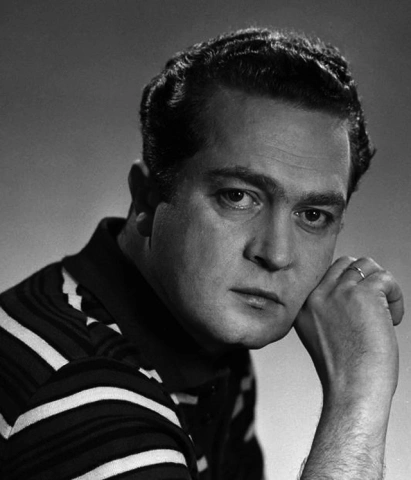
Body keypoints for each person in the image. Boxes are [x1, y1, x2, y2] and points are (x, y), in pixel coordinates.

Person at [0, 27, 404, 480]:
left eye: (312, 215)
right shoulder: (85, 396)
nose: (275, 254)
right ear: (147, 198)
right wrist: (358, 397)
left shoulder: (208, 341)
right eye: (238, 196)